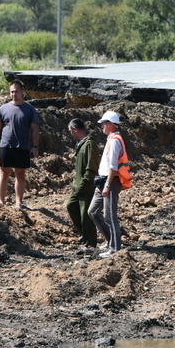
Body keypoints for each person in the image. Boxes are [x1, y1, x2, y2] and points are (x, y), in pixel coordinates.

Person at [0, 79, 41, 209]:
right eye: (11, 92)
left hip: (22, 146)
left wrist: (35, 146)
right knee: (4, 173)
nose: (13, 94)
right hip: (6, 145)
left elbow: (34, 129)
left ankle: (18, 202)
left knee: (20, 174)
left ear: (22, 92)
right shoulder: (3, 108)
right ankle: (1, 202)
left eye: (16, 92)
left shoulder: (30, 109)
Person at [88, 110, 130, 257]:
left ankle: (115, 249)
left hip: (110, 182)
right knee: (93, 211)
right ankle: (111, 241)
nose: (102, 126)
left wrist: (107, 185)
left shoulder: (115, 141)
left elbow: (113, 167)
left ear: (111, 124)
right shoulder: (111, 139)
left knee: (110, 216)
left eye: (104, 123)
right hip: (103, 181)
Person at [66, 118, 99, 255]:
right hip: (78, 185)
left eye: (70, 131)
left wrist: (85, 182)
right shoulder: (81, 144)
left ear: (75, 129)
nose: (70, 134)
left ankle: (90, 244)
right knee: (71, 205)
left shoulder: (90, 144)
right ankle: (84, 234)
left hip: (86, 186)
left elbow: (92, 167)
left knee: (86, 214)